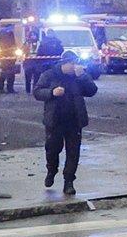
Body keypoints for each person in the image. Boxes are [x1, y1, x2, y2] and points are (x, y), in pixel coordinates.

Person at [33, 49, 97, 196]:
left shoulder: (78, 77)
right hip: (55, 120)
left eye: (75, 64)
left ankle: (69, 181)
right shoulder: (49, 75)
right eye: (71, 64)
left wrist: (83, 76)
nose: (74, 67)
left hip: (74, 120)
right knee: (52, 149)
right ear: (63, 64)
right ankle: (51, 170)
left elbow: (92, 90)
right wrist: (52, 93)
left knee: (73, 152)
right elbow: (37, 92)